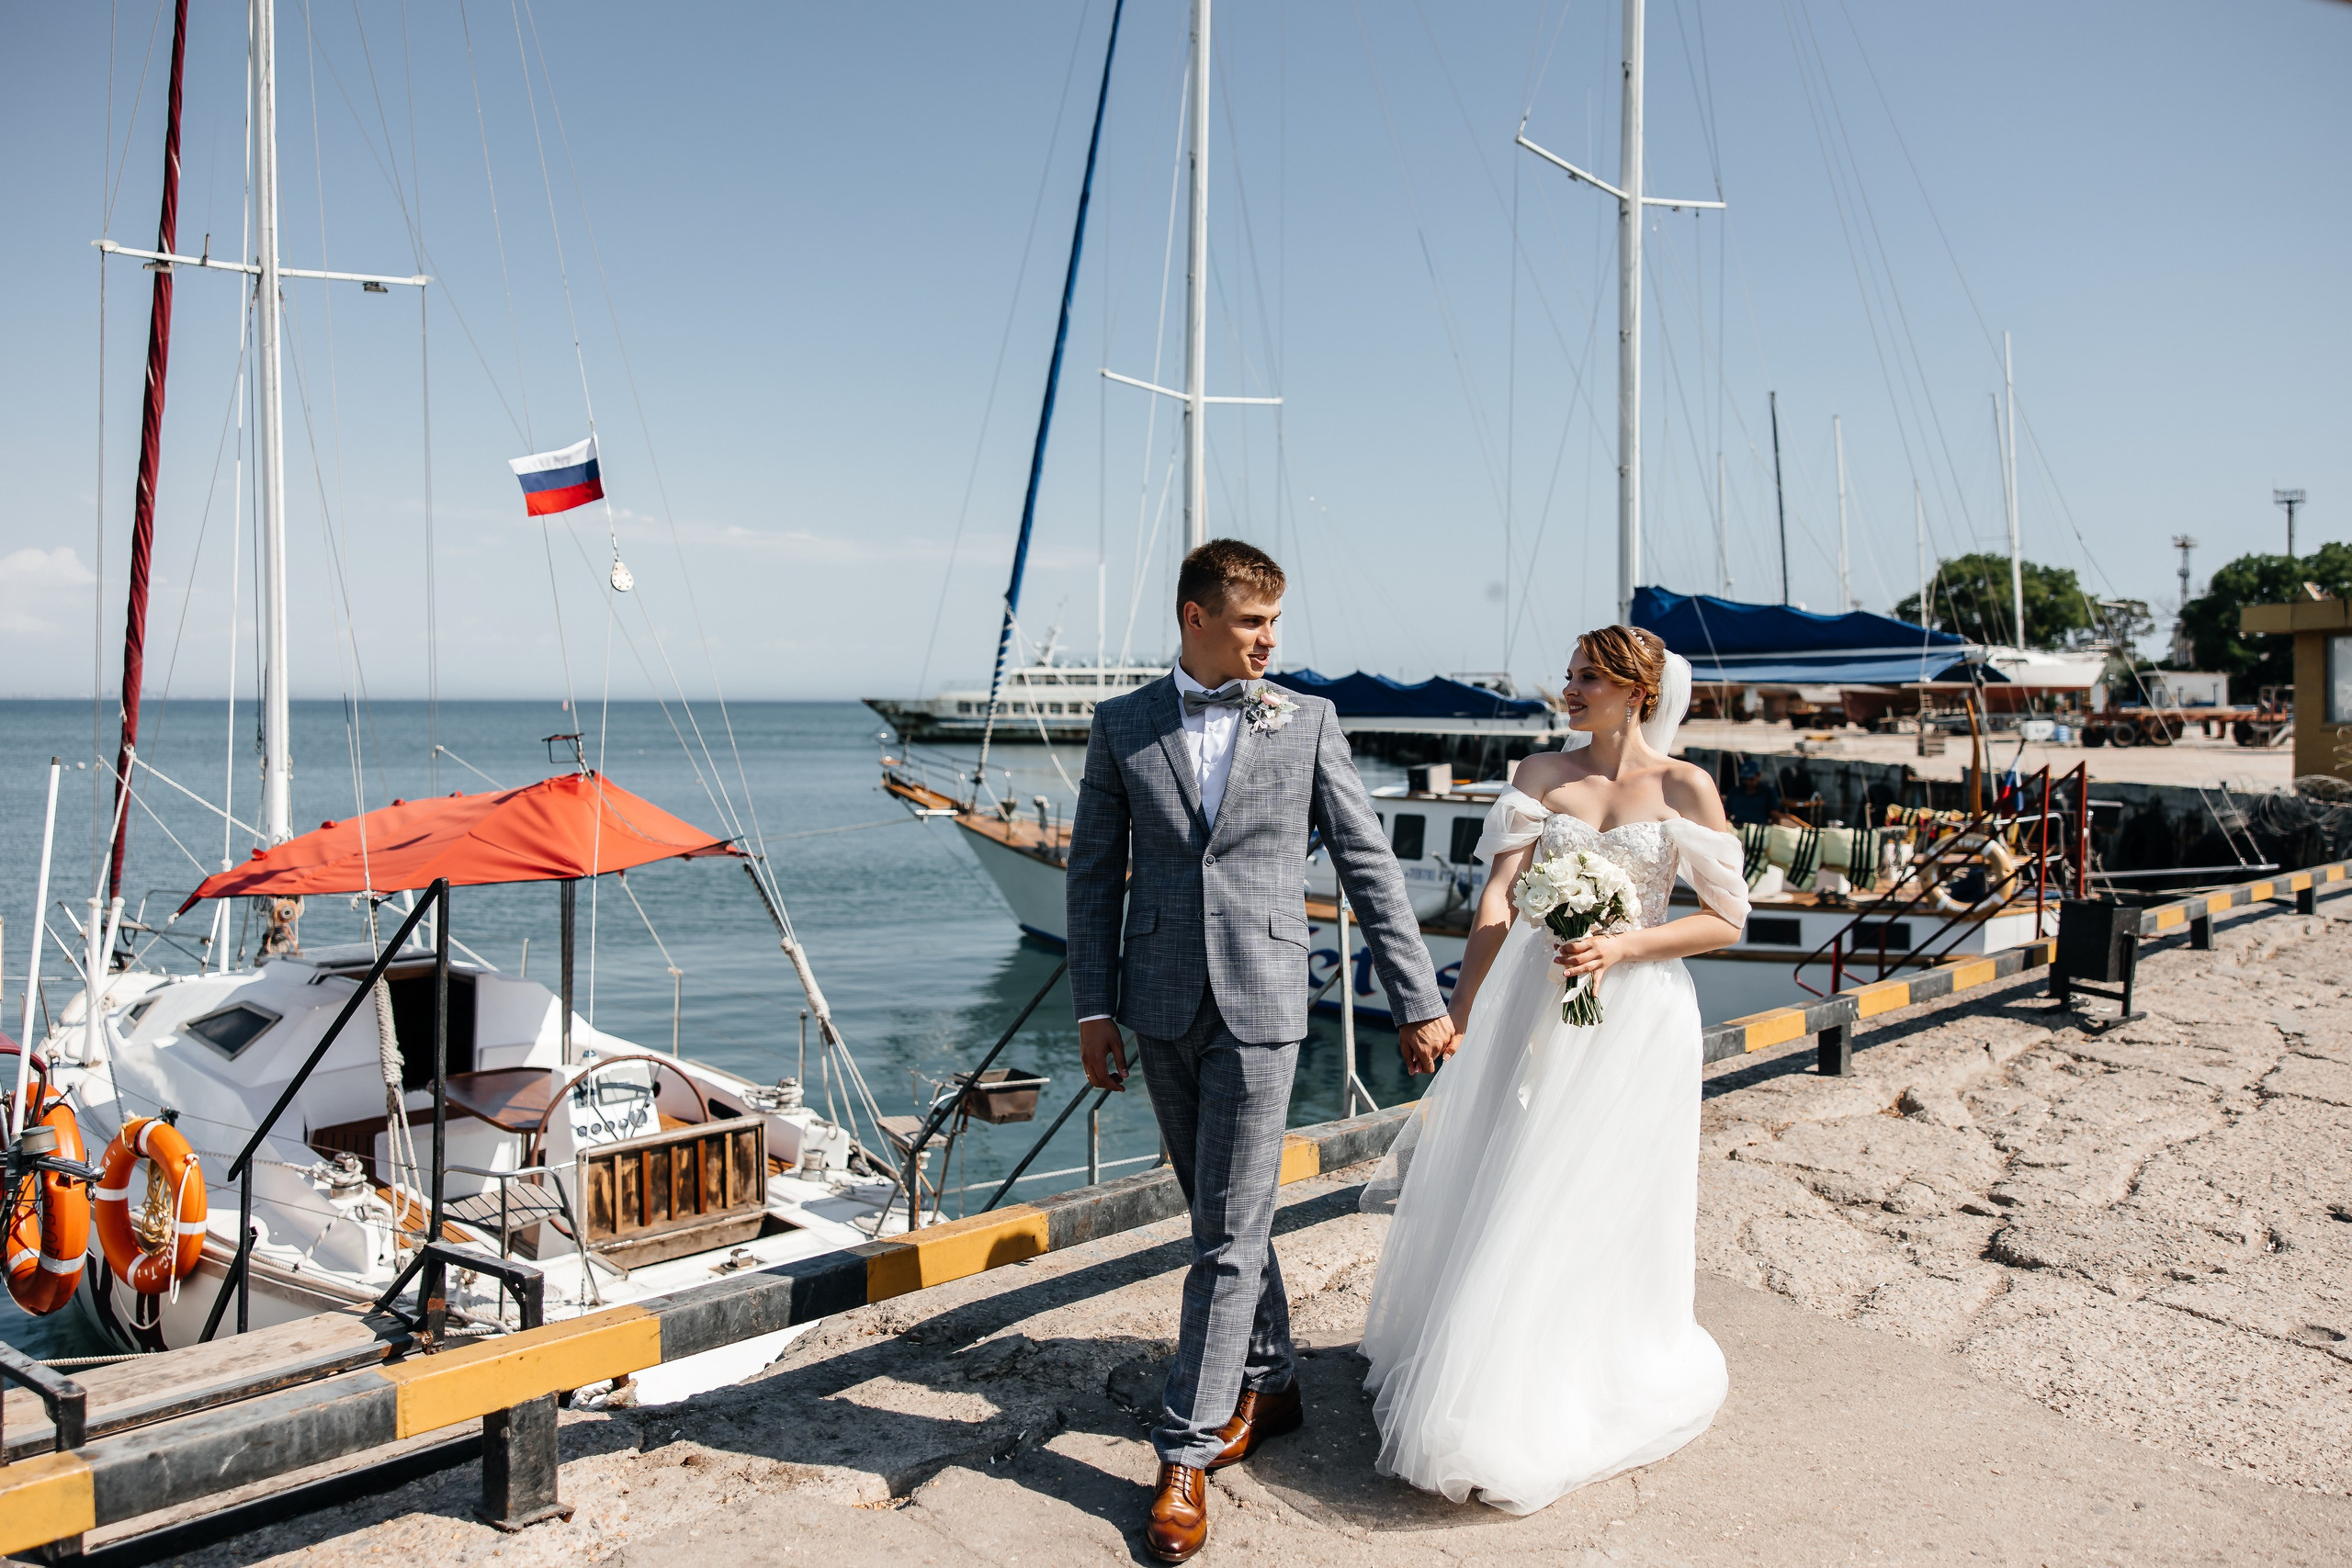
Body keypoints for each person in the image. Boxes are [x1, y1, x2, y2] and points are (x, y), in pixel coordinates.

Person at [1067, 538, 1460, 1563]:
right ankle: (1273, 1381)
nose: (1270, 641)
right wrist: (1092, 1010)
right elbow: (1091, 874)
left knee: (1225, 1238)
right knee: (1221, 1216)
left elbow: (1371, 866)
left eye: (1274, 624)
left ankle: (1185, 1450)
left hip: (1264, 1002)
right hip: (1155, 1003)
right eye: (1251, 623)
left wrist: (1420, 1002)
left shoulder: (1307, 722)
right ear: (1196, 617)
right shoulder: (1120, 728)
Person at [1357, 625, 1750, 1516]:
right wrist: (1457, 1013)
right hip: (1533, 1006)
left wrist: (1624, 943)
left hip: (1637, 1016)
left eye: (1589, 678)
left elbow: (1728, 921)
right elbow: (1498, 898)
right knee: (1516, 1175)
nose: (1569, 689)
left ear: (1636, 690)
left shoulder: (1684, 786)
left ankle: (1589, 1369)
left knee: (1603, 1189)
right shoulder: (1539, 774)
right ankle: (1492, 1376)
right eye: (1570, 675)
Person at [1724, 755, 1776, 827]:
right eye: (1745, 779)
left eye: (1751, 779)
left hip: (1759, 829)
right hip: (1737, 828)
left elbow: (1774, 816)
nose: (1748, 782)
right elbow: (1727, 813)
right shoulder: (1734, 792)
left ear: (1759, 775)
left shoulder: (1768, 792)